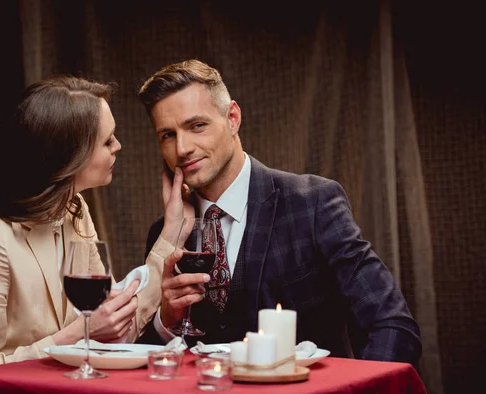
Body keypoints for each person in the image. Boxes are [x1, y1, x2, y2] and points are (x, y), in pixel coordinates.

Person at [0, 75, 181, 394]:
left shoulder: (73, 209)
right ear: (69, 158)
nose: (118, 146)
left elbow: (109, 331)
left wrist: (173, 231)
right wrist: (78, 334)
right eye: (107, 141)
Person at [137, 59, 422, 366]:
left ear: (232, 118)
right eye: (167, 135)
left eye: (197, 126)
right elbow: (146, 364)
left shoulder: (313, 203)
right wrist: (166, 322)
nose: (182, 149)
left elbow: (393, 325)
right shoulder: (164, 234)